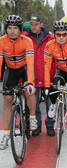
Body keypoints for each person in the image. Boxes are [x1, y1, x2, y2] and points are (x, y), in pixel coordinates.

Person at [0, 15, 37, 150]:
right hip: (10, 70)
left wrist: (31, 82)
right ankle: (5, 134)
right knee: (7, 99)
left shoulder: (26, 41)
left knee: (29, 91)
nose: (12, 31)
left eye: (15, 28)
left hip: (24, 68)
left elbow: (30, 62)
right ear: (6, 29)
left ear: (20, 29)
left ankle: (32, 117)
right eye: (9, 28)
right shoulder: (2, 41)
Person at [23, 15, 56, 136]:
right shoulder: (25, 38)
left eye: (36, 24)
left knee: (50, 103)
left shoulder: (50, 38)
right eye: (31, 24)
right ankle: (36, 125)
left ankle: (50, 124)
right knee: (34, 103)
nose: (33, 27)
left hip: (48, 76)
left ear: (41, 24)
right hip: (33, 77)